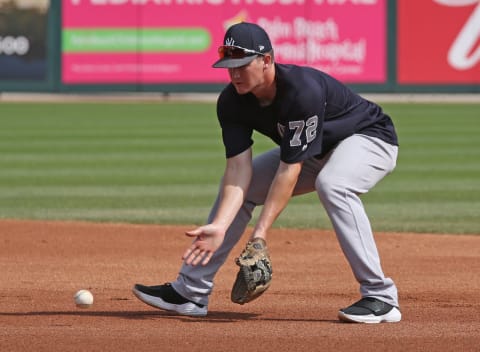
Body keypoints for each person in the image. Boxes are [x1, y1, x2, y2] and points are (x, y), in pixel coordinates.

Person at [133, 22, 401, 323]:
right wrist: (220, 225)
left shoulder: (302, 90)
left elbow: (289, 169)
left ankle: (381, 296)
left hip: (369, 139)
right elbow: (238, 169)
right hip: (315, 151)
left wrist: (260, 236)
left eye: (242, 65)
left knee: (333, 184)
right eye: (229, 65)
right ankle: (191, 291)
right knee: (240, 191)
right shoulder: (231, 102)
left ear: (266, 61)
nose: (234, 74)